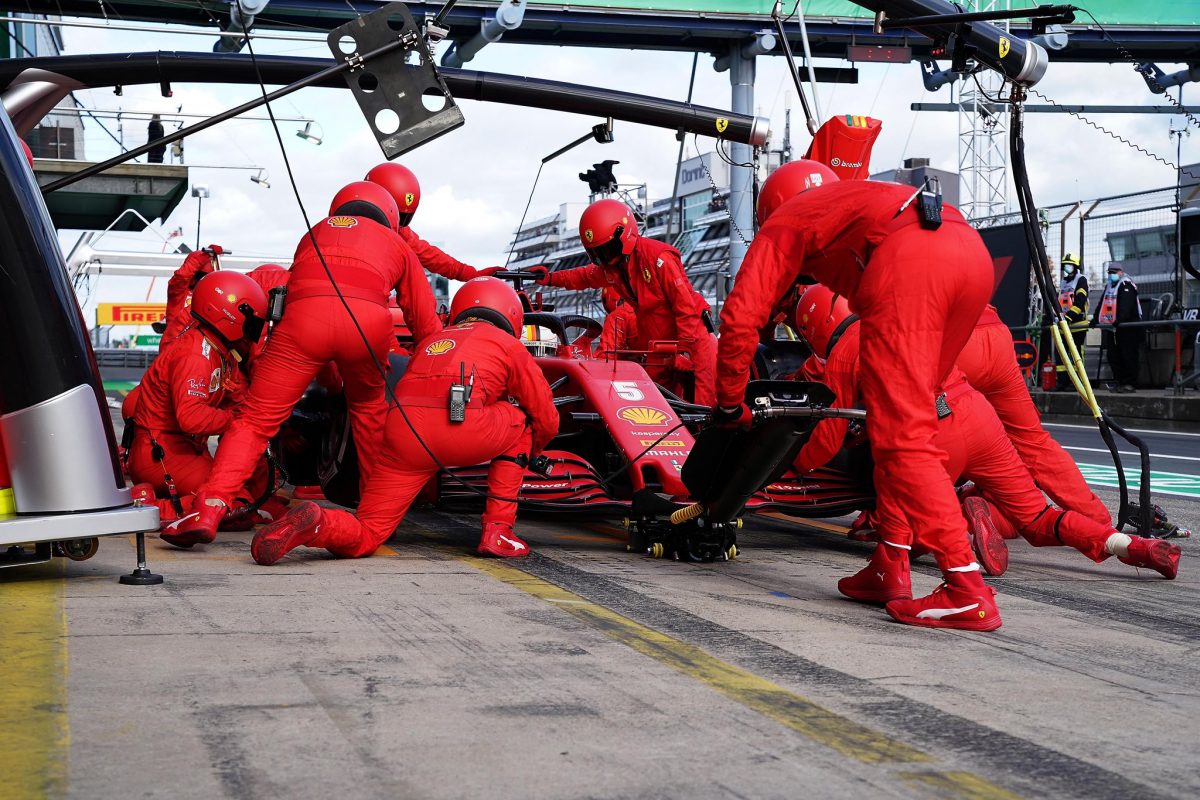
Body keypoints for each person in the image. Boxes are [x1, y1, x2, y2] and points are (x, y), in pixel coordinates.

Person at [714, 159, 998, 630]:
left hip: (912, 267)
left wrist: (728, 403)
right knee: (908, 418)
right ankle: (891, 562)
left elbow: (739, 319)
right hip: (969, 252)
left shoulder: (786, 221)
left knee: (903, 434)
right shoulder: (855, 201)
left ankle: (966, 589)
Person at [162, 181, 443, 547]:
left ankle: (210, 509)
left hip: (301, 325)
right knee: (369, 414)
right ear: (390, 216)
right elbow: (426, 327)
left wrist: (325, 378)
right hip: (368, 327)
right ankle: (372, 511)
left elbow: (311, 303)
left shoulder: (313, 235)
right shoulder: (398, 246)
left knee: (253, 422)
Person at [250, 278, 559, 565]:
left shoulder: (432, 340)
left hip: (402, 432)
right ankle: (497, 531)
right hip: (461, 427)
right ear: (511, 315)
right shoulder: (508, 345)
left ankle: (320, 523)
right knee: (526, 423)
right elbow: (545, 415)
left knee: (369, 531)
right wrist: (528, 455)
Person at [126, 272, 283, 526]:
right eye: (251, 319)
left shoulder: (221, 352)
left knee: (243, 500)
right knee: (233, 505)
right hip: (163, 455)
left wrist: (257, 418)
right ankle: (148, 505)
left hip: (184, 452)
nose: (254, 327)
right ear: (230, 313)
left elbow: (240, 400)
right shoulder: (195, 356)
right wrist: (238, 421)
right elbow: (192, 418)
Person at [531, 199, 718, 405]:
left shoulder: (659, 258)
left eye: (607, 249)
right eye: (597, 253)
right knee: (653, 404)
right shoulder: (613, 268)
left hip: (693, 341)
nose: (604, 257)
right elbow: (581, 276)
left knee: (704, 405)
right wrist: (549, 278)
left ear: (624, 233)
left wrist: (685, 349)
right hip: (657, 345)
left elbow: (686, 308)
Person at [957, 304, 1111, 526]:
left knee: (926, 437)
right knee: (1033, 440)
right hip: (996, 335)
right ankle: (1098, 520)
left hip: (952, 341)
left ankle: (943, 519)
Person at [364, 162, 501, 282]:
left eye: (403, 217)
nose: (397, 223)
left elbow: (432, 257)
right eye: (396, 214)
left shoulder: (400, 232)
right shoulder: (347, 228)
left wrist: (472, 275)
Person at [159, 246, 223, 350]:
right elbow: (181, 277)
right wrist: (203, 256)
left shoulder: (213, 298)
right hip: (175, 349)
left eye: (208, 277)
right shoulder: (179, 294)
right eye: (201, 276)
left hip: (200, 350)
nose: (204, 280)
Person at [1092, 265, 1142, 392]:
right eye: (1110, 272)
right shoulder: (1109, 287)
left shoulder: (1126, 285)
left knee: (1128, 355)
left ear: (1121, 272)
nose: (1111, 274)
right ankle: (1120, 381)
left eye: (1114, 272)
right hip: (1112, 328)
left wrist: (1120, 319)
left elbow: (1126, 305)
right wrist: (1095, 319)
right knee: (1113, 356)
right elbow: (1102, 303)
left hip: (1127, 327)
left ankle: (1129, 383)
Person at [1055, 254, 1089, 389]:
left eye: (1069, 265)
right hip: (1064, 325)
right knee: (1062, 355)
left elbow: (1080, 302)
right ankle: (1062, 383)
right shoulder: (1063, 283)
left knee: (1076, 356)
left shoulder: (1081, 280)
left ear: (1076, 267)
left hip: (1077, 325)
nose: (1066, 268)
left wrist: (1068, 317)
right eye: (1065, 265)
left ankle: (1078, 384)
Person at [598, 287, 639, 355]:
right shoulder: (644, 307)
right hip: (657, 358)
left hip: (643, 363)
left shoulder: (618, 315)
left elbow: (607, 353)